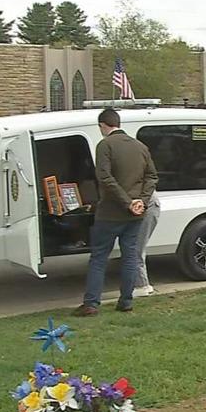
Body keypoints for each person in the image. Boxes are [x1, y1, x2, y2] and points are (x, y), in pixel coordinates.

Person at [74, 108, 158, 317]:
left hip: (110, 213)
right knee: (130, 256)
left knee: (99, 257)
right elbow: (152, 177)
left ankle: (91, 303)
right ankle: (126, 301)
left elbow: (104, 177)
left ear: (103, 125)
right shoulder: (140, 146)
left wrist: (127, 202)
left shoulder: (105, 145)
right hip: (135, 214)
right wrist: (141, 201)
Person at [132, 192, 161, 297]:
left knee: (136, 247)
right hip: (145, 204)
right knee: (137, 247)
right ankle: (143, 284)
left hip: (146, 205)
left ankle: (141, 285)